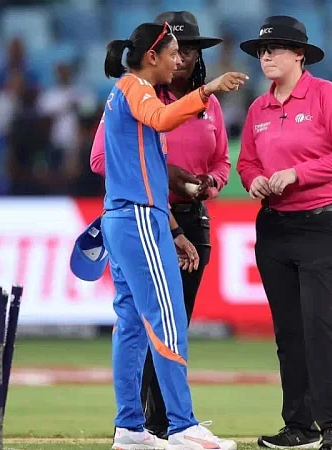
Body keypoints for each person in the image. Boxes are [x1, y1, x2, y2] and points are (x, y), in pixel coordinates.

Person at [94, 20, 246, 450]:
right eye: (174, 53)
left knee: (131, 327)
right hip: (138, 218)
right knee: (168, 318)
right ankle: (182, 426)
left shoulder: (125, 90)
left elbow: (148, 171)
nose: (180, 61)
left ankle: (129, 429)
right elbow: (160, 119)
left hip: (132, 218)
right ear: (151, 57)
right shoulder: (137, 89)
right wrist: (208, 89)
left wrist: (176, 231)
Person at [235, 16, 332, 450]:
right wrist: (252, 180)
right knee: (289, 332)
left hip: (324, 224)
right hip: (275, 226)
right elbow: (246, 162)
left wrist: (297, 173)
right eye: (262, 51)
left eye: (276, 49)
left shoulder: (326, 95)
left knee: (317, 324)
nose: (266, 56)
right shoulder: (258, 108)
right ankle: (299, 427)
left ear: (300, 55)